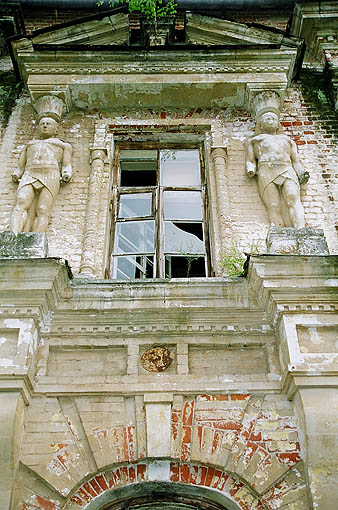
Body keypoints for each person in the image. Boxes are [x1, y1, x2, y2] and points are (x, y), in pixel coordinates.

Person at [245, 110, 309, 229]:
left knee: (292, 198)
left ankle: (301, 228)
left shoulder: (287, 140)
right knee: (273, 204)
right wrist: (251, 169)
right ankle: (277, 229)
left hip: (286, 167)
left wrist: (301, 173)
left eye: (273, 119)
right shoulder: (254, 141)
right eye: (267, 119)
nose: (270, 121)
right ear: (260, 125)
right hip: (265, 170)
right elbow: (250, 160)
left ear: (278, 124)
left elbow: (296, 161)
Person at [10, 116, 72, 233]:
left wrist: (66, 173)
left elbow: (66, 164)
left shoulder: (63, 145)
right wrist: (17, 174)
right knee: (22, 202)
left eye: (48, 124)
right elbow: (20, 166)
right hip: (30, 173)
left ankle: (37, 237)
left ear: (56, 130)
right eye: (42, 123)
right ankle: (13, 234)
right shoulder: (29, 145)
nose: (44, 126)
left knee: (43, 209)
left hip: (50, 174)